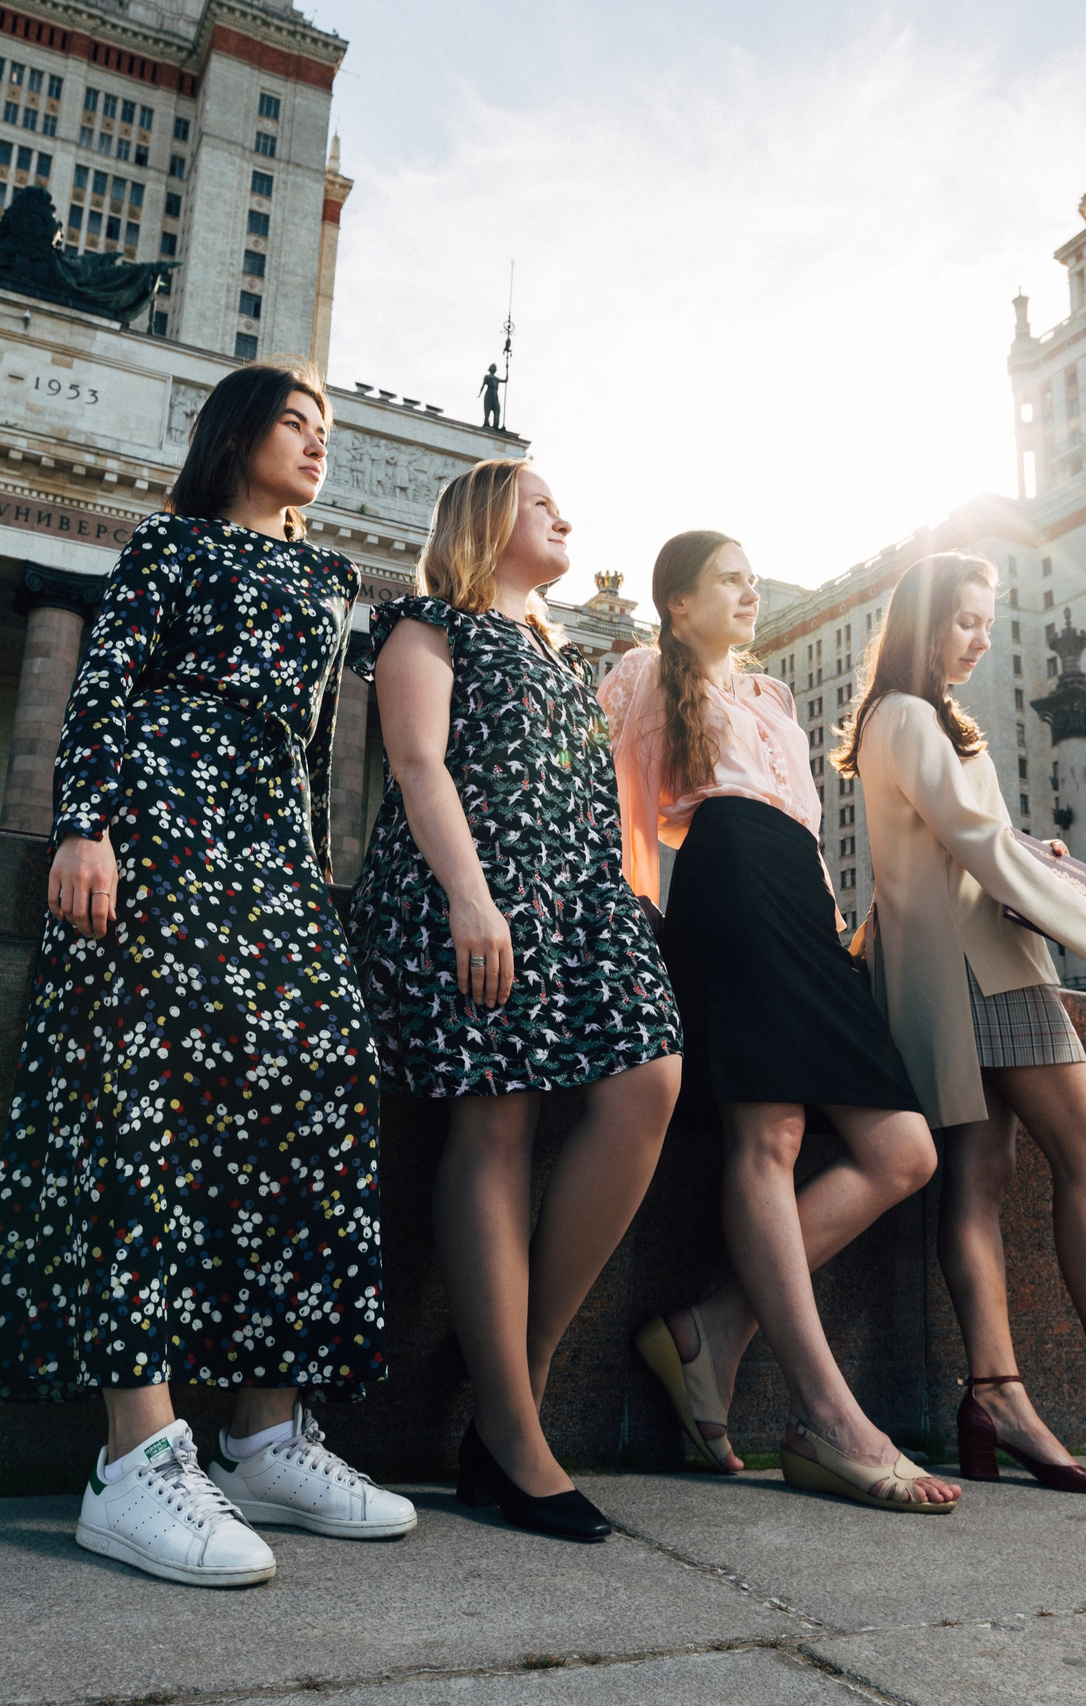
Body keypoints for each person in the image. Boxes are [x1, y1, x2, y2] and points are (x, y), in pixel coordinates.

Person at [0, 360, 417, 1589]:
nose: (316, 444)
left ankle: (265, 1432)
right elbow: (105, 685)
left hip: (270, 851)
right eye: (293, 422)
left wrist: (317, 887)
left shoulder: (331, 578)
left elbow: (324, 748)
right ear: (235, 435)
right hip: (159, 821)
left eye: (326, 428)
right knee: (141, 1099)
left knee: (318, 1085)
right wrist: (86, 823)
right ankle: (133, 1456)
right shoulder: (167, 546)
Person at [838, 551, 1086, 1493]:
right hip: (988, 973)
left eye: (989, 622)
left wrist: (1037, 853)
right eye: (967, 621)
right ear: (925, 622)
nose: (982, 639)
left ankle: (998, 1394)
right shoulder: (905, 716)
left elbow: (972, 842)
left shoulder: (920, 720)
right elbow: (972, 843)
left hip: (963, 970)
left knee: (982, 1177)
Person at [347, 459, 681, 1543]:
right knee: (493, 1122)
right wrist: (470, 899)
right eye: (542, 503)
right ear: (490, 521)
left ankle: (513, 1389)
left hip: (579, 899)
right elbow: (416, 762)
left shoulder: (566, 652)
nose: (565, 515)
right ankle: (513, 1431)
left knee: (650, 1082)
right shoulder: (425, 625)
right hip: (473, 894)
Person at [602, 532, 960, 1515]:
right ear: (677, 603)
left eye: (754, 577)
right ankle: (825, 1415)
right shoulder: (643, 672)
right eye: (729, 578)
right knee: (774, 1133)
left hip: (800, 901)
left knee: (903, 1150)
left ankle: (711, 1326)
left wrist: (836, 921)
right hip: (726, 882)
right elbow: (629, 814)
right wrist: (633, 927)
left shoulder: (775, 698)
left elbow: (801, 819)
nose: (750, 590)